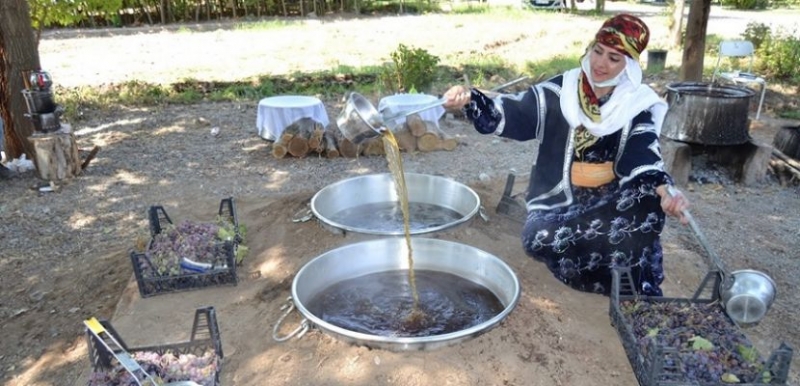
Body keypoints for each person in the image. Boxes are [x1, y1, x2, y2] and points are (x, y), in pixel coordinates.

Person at [443, 13, 690, 296]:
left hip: (610, 202)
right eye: (598, 51)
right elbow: (514, 113)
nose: (600, 63)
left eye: (613, 58)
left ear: (628, 66)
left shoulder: (635, 103)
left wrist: (666, 192)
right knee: (540, 239)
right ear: (590, 48)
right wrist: (471, 100)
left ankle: (624, 274)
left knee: (647, 200)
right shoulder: (561, 91)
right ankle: (614, 270)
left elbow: (644, 156)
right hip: (558, 202)